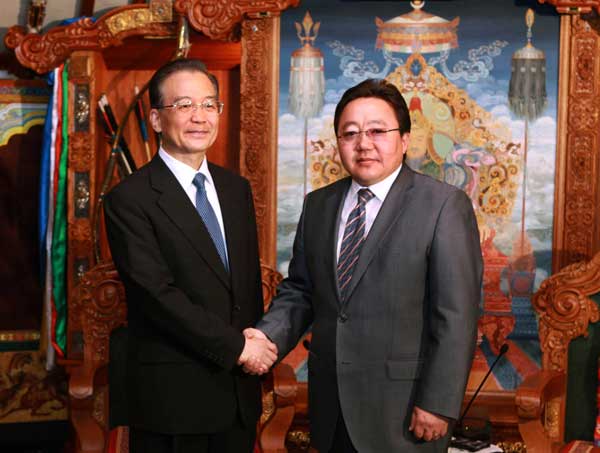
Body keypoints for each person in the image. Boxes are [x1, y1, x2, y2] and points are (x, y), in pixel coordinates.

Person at [245, 78, 483, 452]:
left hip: (405, 411)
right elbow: (302, 291)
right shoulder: (318, 205)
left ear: (404, 140)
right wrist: (265, 336)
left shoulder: (442, 205)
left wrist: (438, 403)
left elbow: (456, 314)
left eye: (377, 131)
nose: (363, 143)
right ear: (338, 142)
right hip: (331, 406)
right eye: (349, 133)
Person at [103, 58, 277, 453]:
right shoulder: (129, 199)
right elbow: (156, 297)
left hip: (237, 395)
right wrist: (237, 348)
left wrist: (259, 346)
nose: (199, 117)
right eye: (183, 105)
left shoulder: (236, 190)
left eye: (208, 104)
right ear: (157, 119)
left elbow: (244, 287)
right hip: (174, 400)